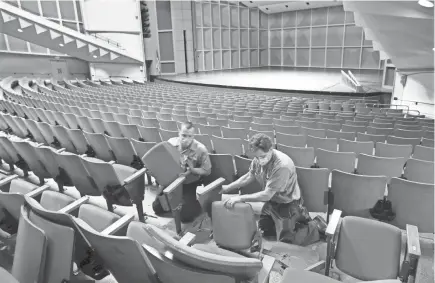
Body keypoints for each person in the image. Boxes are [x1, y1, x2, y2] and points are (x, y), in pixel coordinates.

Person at [221, 133, 322, 246]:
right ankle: (289, 223)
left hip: (288, 203)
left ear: (270, 150)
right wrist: (228, 187)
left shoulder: (281, 166)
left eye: (263, 157)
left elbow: (266, 195)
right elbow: (249, 176)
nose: (260, 161)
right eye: (257, 157)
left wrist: (240, 198)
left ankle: (315, 225)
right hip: (273, 202)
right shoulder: (259, 158)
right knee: (264, 230)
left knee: (287, 241)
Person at [152, 121, 211, 223]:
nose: (186, 139)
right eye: (183, 135)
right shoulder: (170, 143)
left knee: (185, 217)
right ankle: (176, 203)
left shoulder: (201, 149)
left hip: (189, 182)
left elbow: (207, 170)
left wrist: (193, 170)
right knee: (157, 208)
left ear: (193, 136)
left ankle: (194, 204)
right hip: (171, 179)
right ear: (179, 133)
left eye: (190, 136)